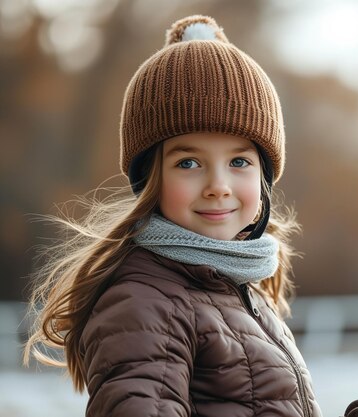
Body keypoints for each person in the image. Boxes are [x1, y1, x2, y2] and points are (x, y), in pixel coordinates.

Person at [23, 14, 322, 417]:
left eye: (239, 161)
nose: (219, 185)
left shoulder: (239, 289)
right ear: (151, 178)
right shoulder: (146, 303)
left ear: (265, 177)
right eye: (188, 164)